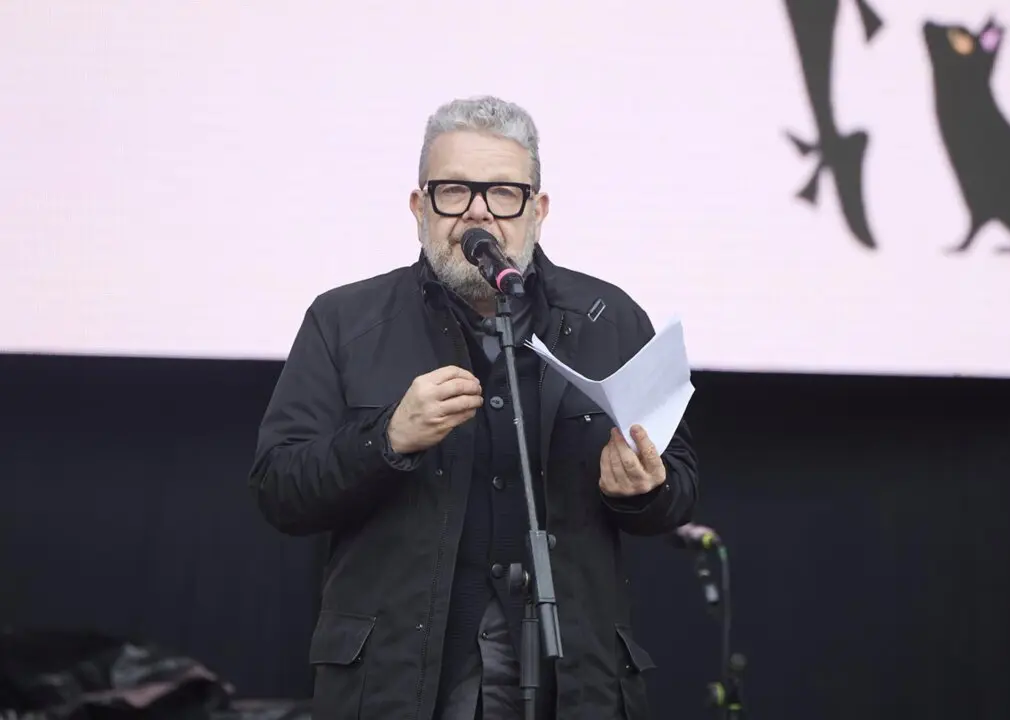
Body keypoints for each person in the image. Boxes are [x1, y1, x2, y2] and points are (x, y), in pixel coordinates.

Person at [249, 95, 699, 720]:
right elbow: (279, 488)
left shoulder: (608, 319)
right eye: (454, 192)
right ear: (419, 206)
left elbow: (677, 485)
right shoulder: (344, 321)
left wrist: (644, 488)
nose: (478, 214)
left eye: (504, 194)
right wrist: (387, 439)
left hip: (574, 682)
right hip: (397, 685)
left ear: (537, 210)